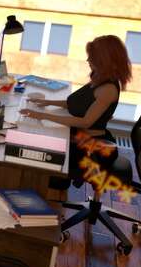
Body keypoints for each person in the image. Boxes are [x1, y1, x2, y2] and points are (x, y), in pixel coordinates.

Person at [20, 34, 132, 183]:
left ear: (103, 61)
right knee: (39, 141)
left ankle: (47, 188)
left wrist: (42, 115)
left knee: (40, 151)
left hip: (92, 149)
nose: (88, 60)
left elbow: (85, 122)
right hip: (81, 137)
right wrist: (47, 103)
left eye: (92, 58)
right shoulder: (99, 77)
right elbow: (76, 103)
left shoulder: (108, 89)